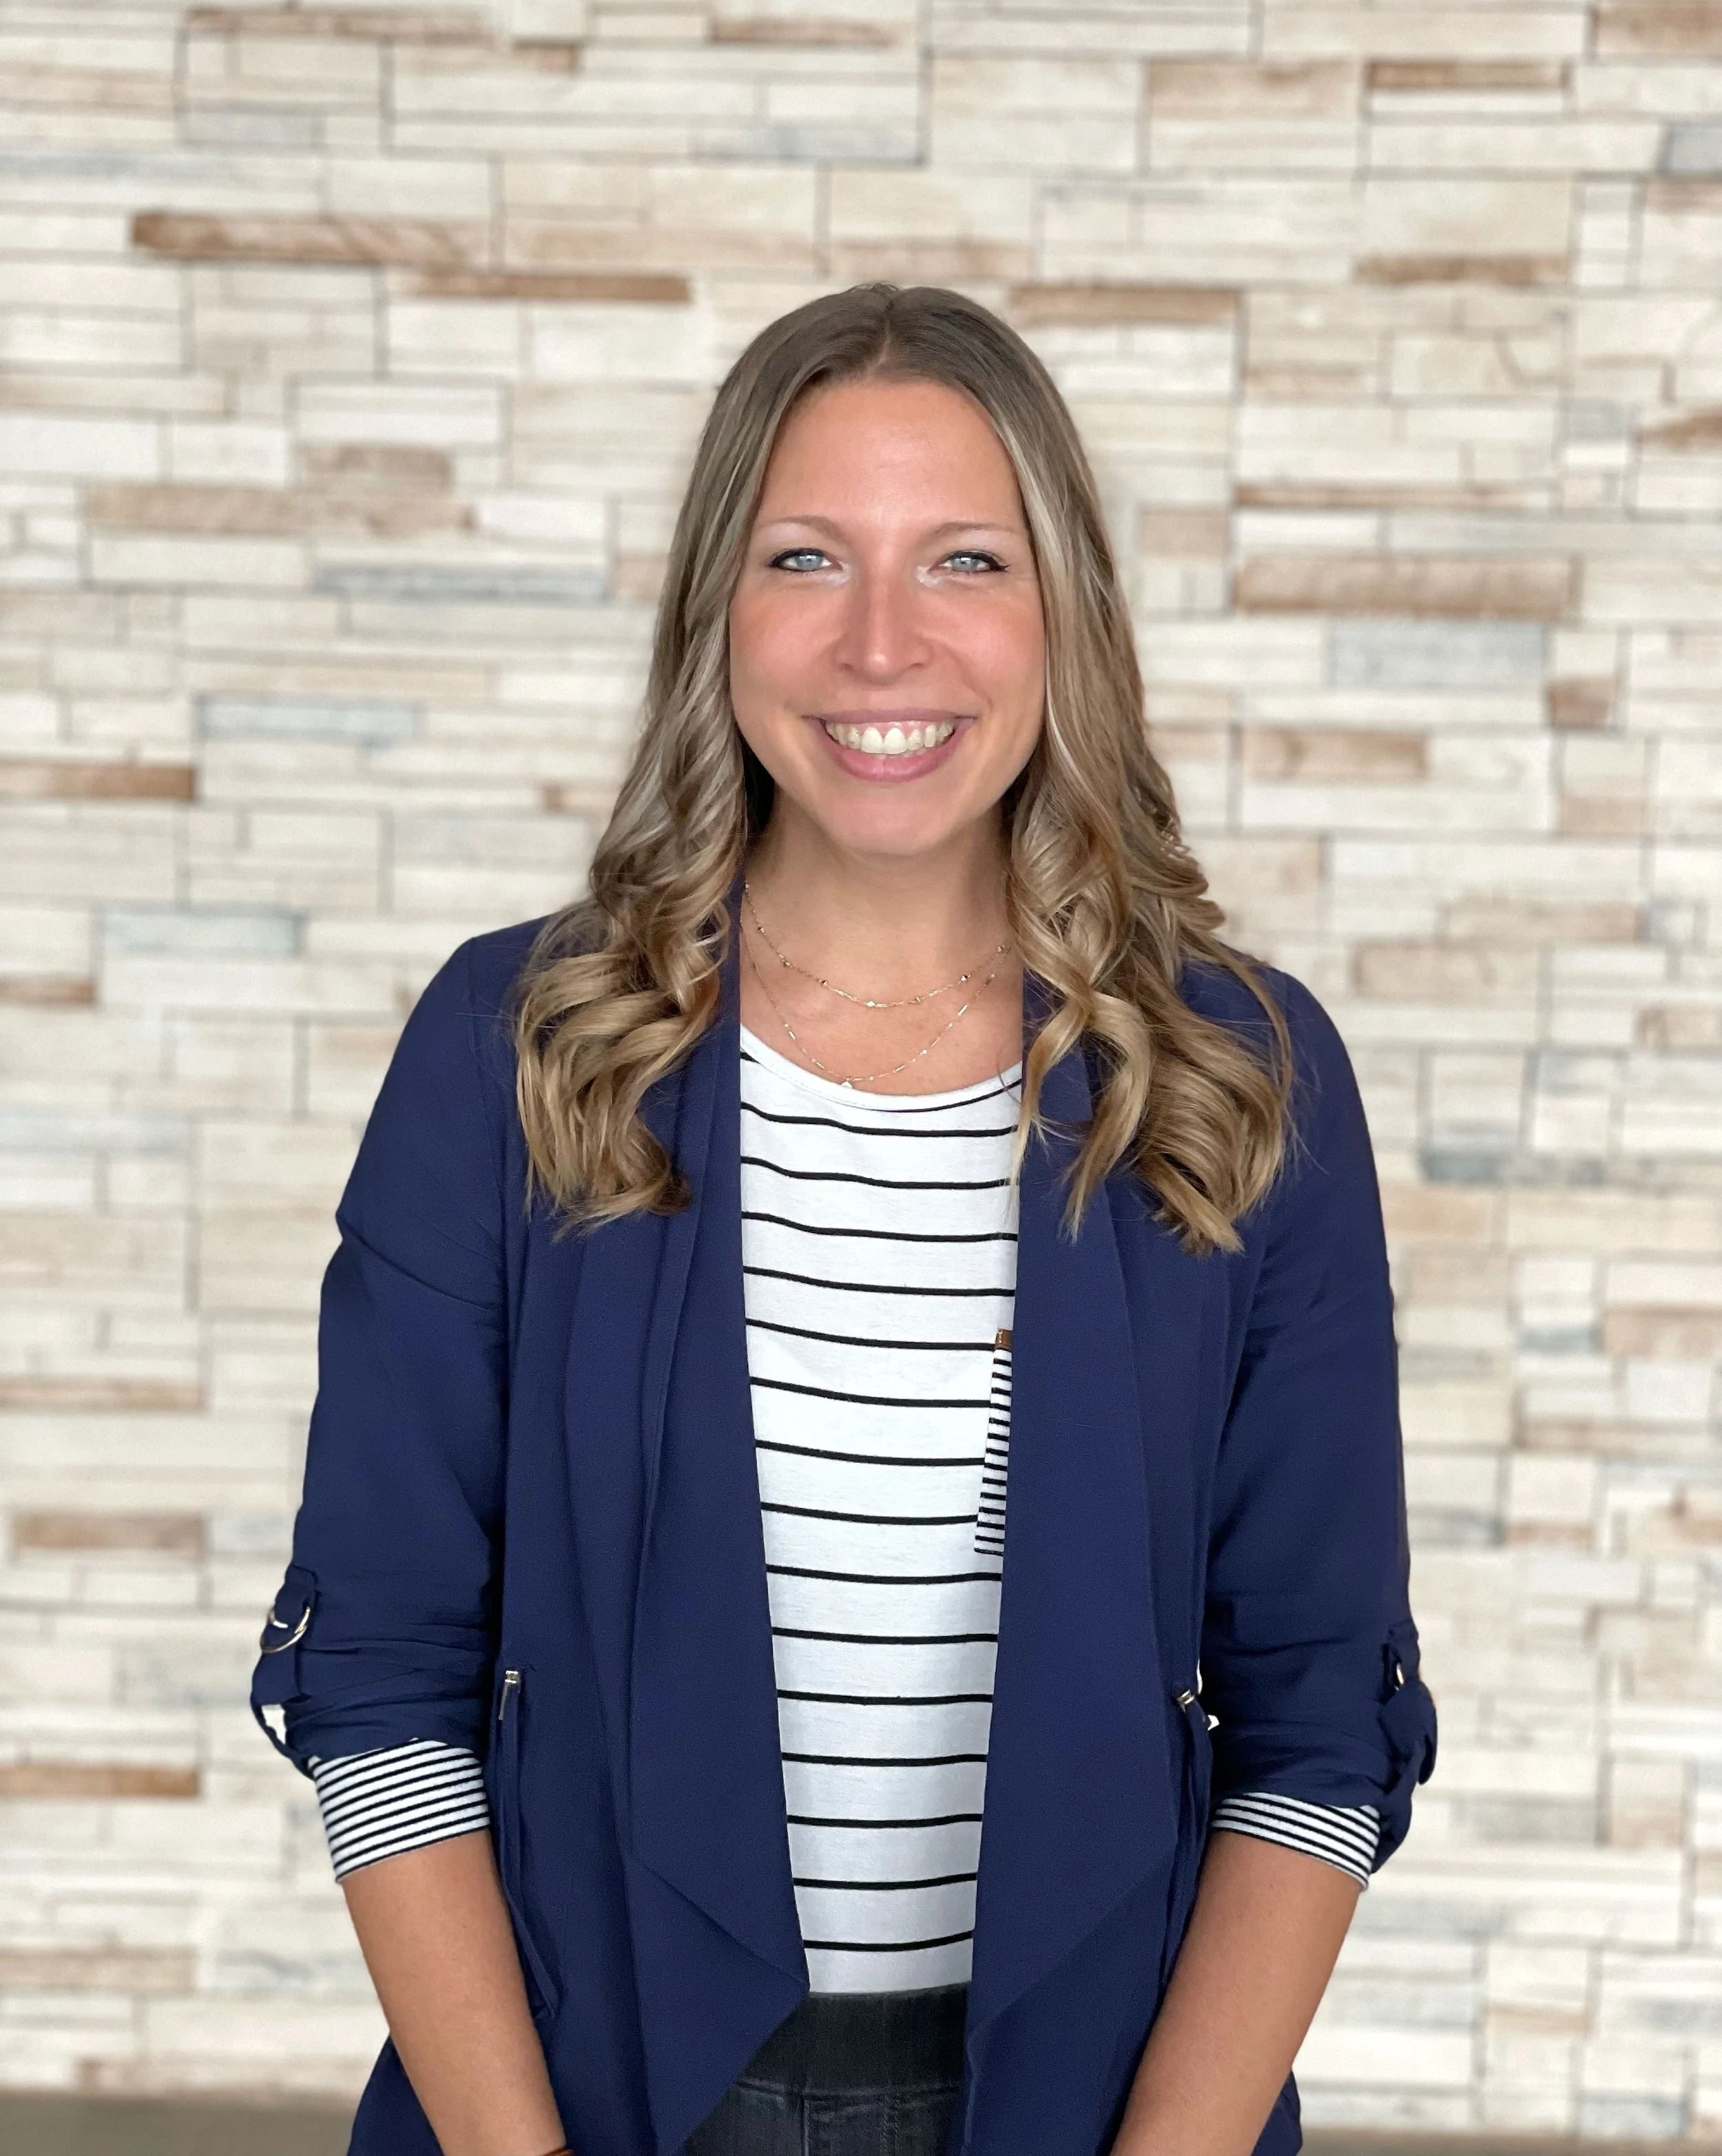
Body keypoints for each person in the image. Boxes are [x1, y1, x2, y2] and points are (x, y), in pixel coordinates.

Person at [251, 282, 1437, 2156]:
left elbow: (1315, 1725)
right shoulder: (516, 1053)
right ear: (718, 607)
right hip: (582, 2104)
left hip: (1094, 2111)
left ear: (1063, 615)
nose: (883, 642)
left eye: (962, 557)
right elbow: (379, 1682)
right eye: (808, 556)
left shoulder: (1239, 1082)